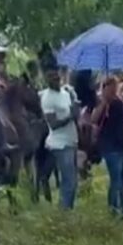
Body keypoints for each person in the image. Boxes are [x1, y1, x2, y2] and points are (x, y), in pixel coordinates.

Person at [92, 77, 123, 219]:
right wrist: (104, 102)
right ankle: (114, 210)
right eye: (109, 86)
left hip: (122, 145)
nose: (113, 88)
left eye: (114, 85)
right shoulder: (101, 102)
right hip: (109, 146)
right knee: (116, 179)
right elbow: (94, 120)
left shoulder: (120, 103)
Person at [41, 66, 80, 210]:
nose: (55, 78)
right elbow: (53, 124)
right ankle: (64, 211)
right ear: (46, 80)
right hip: (59, 144)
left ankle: (68, 208)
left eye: (56, 75)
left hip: (71, 140)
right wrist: (71, 116)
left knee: (73, 180)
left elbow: (73, 113)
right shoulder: (47, 98)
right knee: (68, 180)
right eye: (51, 76)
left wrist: (75, 111)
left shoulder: (65, 93)